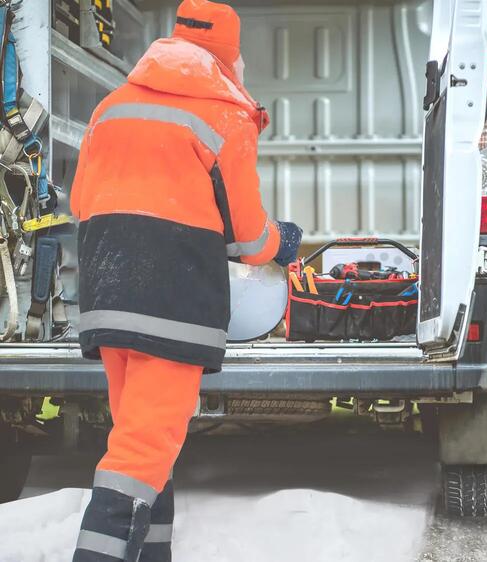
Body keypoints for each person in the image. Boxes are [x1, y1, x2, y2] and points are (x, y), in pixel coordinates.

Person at [68, 1, 302, 560]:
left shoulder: (111, 107)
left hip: (106, 292)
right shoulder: (225, 113)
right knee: (143, 450)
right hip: (170, 299)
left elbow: (82, 202)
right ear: (226, 56)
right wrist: (284, 242)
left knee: (145, 443)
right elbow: (248, 237)